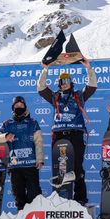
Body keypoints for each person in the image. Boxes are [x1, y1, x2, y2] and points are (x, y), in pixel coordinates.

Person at [37, 57, 97, 205]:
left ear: (71, 82)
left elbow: (92, 85)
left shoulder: (78, 96)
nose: (64, 84)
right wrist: (45, 70)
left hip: (75, 135)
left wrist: (88, 68)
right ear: (59, 84)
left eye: (67, 81)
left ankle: (80, 200)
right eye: (62, 82)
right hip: (59, 136)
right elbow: (41, 87)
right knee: (61, 169)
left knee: (77, 168)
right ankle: (61, 199)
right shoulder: (55, 97)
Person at [0, 96, 44, 211]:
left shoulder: (33, 123)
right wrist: (5, 136)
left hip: (31, 165)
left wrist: (40, 159)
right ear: (13, 108)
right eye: (16, 106)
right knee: (18, 196)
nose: (19, 108)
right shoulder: (7, 124)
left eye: (21, 106)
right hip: (14, 166)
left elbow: (39, 143)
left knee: (34, 195)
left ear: (25, 107)